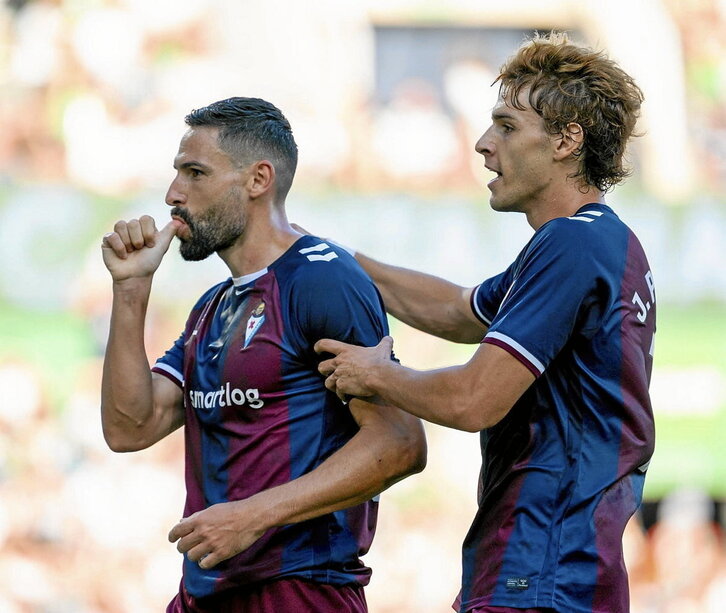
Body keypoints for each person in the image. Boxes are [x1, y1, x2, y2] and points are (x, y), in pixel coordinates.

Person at [315, 32, 656, 613]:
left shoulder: (571, 245)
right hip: (564, 570)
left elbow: (474, 399)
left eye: (506, 126)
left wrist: (374, 375)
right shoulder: (601, 241)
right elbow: (456, 309)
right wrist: (332, 259)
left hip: (541, 569)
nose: (482, 143)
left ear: (566, 141)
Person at [100, 97, 427, 613]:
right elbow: (129, 428)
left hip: (299, 589)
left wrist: (250, 516)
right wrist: (131, 288)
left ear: (258, 180)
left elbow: (402, 442)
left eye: (195, 173)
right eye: (177, 173)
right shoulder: (213, 306)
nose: (173, 194)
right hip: (207, 590)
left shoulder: (324, 278)